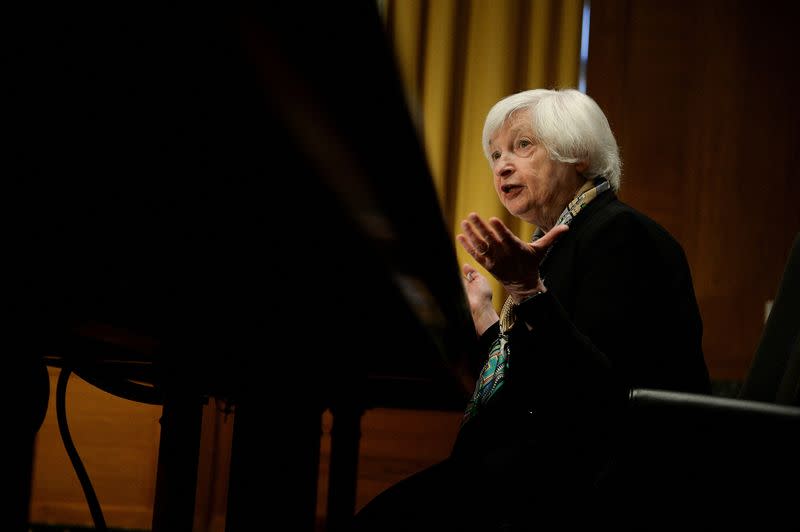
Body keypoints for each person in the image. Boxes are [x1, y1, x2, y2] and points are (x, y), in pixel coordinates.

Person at [350, 88, 711, 531]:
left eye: (522, 145)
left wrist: (528, 290)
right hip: (551, 461)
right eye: (496, 153)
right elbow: (531, 386)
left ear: (577, 153)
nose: (502, 164)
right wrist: (484, 317)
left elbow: (597, 393)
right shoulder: (562, 242)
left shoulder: (619, 234)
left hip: (608, 479)